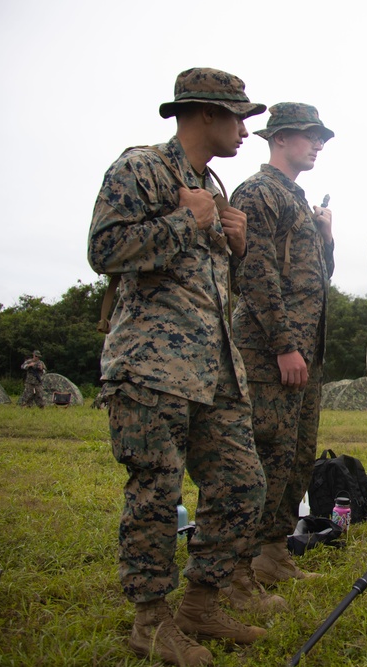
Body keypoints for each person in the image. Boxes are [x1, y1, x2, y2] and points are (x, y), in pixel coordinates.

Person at [88, 67, 272, 666]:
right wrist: (185, 221)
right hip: (150, 365)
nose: (246, 128)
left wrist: (235, 248)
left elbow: (215, 288)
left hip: (213, 369)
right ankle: (150, 621)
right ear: (204, 114)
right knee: (156, 495)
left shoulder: (212, 187)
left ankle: (201, 603)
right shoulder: (141, 168)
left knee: (243, 483)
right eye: (239, 116)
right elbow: (105, 249)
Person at [231, 103, 334, 587]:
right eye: (310, 136)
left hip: (303, 353)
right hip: (270, 352)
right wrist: (283, 344)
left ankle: (273, 553)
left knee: (296, 457)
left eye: (321, 138)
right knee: (265, 453)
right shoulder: (258, 193)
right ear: (280, 139)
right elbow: (254, 273)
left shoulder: (296, 198)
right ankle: (242, 562)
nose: (318, 145)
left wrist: (326, 239)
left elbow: (314, 281)